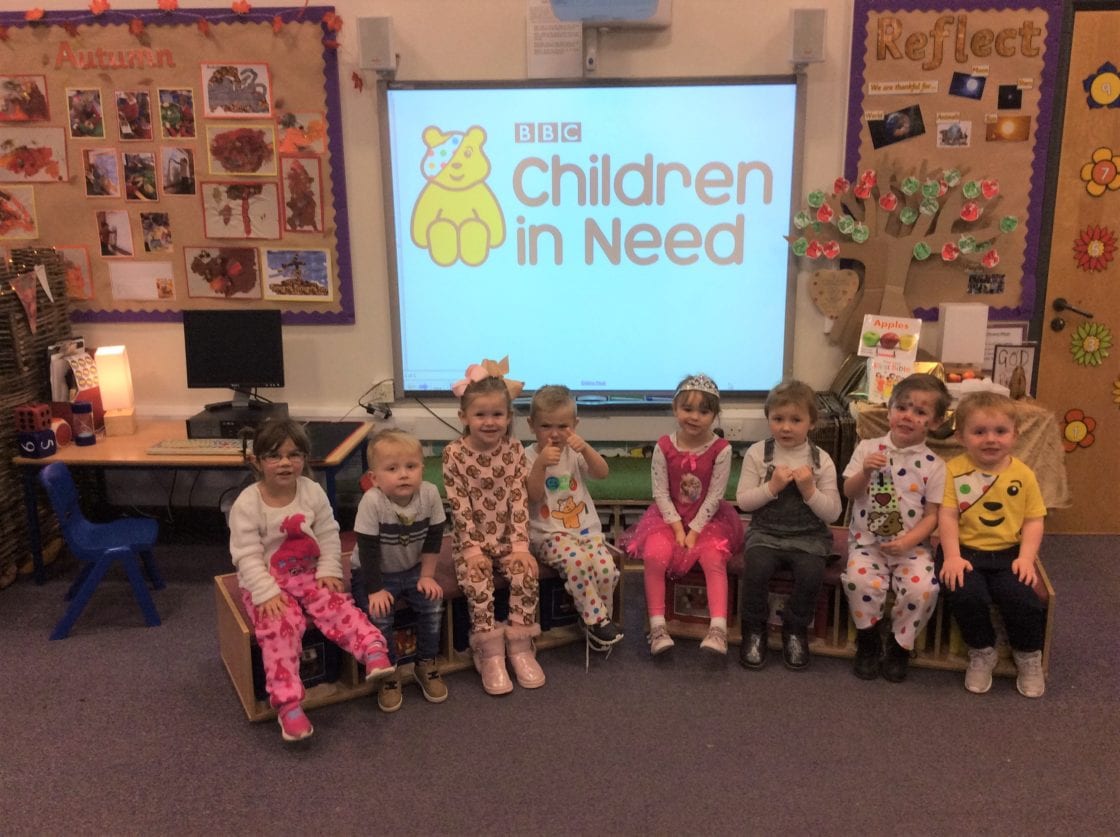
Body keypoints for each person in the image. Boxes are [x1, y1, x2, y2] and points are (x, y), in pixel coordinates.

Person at [228, 419, 394, 742]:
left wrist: (329, 569)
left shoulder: (311, 491)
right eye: (274, 456)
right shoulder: (247, 504)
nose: (285, 463)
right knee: (279, 625)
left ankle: (372, 649)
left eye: (294, 455)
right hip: (267, 581)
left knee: (336, 603)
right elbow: (246, 555)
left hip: (308, 572)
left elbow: (329, 533)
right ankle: (288, 703)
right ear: (257, 462)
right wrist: (265, 592)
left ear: (304, 458)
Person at [441, 360, 545, 695]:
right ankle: (489, 651)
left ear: (509, 417)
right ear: (464, 417)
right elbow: (459, 506)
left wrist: (520, 547)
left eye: (497, 414)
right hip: (471, 545)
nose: (489, 422)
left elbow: (518, 499)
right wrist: (472, 552)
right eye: (480, 415)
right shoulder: (454, 454)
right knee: (477, 582)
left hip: (508, 541)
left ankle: (520, 645)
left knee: (525, 574)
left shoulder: (513, 450)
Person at [937, 392, 1047, 698]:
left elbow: (1034, 520)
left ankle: (1028, 654)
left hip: (1009, 554)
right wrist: (952, 557)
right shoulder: (953, 469)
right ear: (960, 437)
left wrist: (1026, 558)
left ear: (1015, 434)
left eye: (1000, 431)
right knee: (964, 593)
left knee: (1021, 597)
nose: (990, 439)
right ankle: (983, 650)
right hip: (964, 552)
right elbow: (947, 516)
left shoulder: (1023, 475)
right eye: (979, 431)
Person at [626, 374, 744, 657]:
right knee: (655, 555)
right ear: (675, 408)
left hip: (709, 521)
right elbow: (660, 492)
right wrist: (678, 529)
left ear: (715, 415)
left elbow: (715, 496)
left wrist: (694, 531)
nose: (694, 417)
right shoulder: (664, 446)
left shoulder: (721, 450)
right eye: (687, 409)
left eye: (704, 411)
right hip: (668, 519)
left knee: (714, 558)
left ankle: (718, 629)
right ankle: (657, 626)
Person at [841, 373, 949, 682]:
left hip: (911, 547)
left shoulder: (935, 465)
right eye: (902, 407)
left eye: (920, 412)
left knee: (923, 588)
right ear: (889, 410)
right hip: (867, 543)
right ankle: (868, 640)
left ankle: (900, 645)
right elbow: (849, 492)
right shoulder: (868, 448)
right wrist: (864, 472)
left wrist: (908, 542)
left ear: (935, 422)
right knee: (858, 581)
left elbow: (932, 516)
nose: (908, 416)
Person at [736, 380, 841, 671]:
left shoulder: (822, 460)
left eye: (796, 420)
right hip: (766, 533)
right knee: (756, 569)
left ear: (811, 423)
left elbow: (833, 512)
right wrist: (771, 487)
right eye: (778, 419)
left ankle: (795, 629)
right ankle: (754, 628)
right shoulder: (758, 453)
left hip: (808, 536)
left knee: (811, 572)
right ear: (768, 418)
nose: (786, 427)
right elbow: (744, 502)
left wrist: (809, 490)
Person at [350, 429, 448, 713]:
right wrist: (375, 590)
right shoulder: (373, 501)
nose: (403, 474)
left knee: (433, 604)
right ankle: (389, 670)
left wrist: (427, 575)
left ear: (422, 469)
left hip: (413, 567)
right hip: (373, 573)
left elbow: (434, 538)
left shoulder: (429, 494)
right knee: (379, 615)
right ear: (375, 478)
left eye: (411, 466)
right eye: (392, 469)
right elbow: (367, 550)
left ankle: (425, 662)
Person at [525, 385, 622, 652]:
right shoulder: (528, 456)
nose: (555, 434)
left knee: (606, 569)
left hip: (585, 532)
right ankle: (596, 620)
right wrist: (540, 464)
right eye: (546, 426)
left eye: (563, 426)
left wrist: (586, 449)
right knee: (577, 562)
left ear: (575, 425)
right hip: (549, 535)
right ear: (531, 425)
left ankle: (598, 622)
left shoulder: (574, 452)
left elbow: (602, 473)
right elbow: (533, 496)